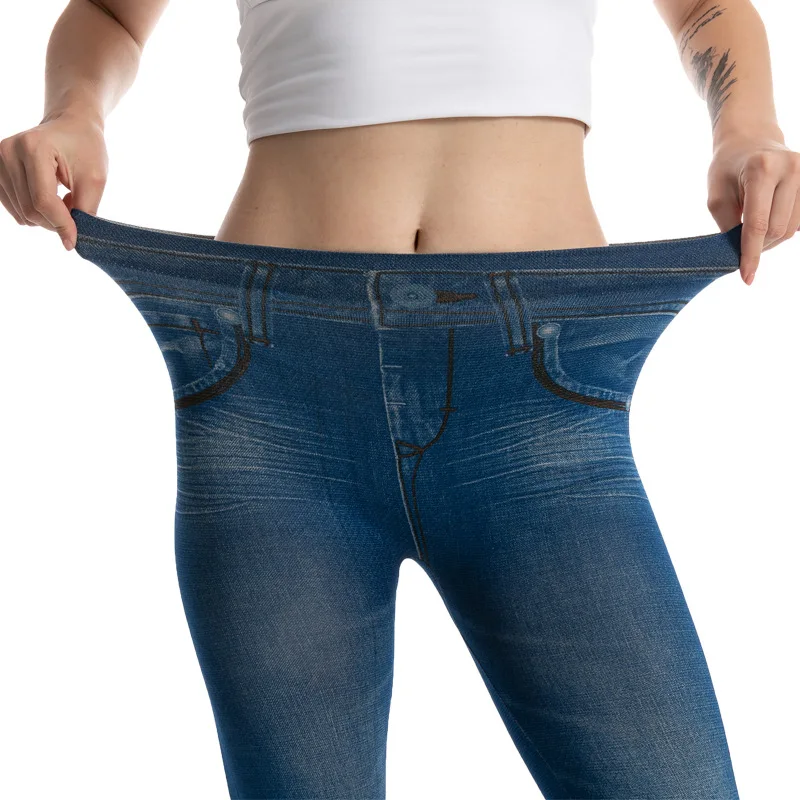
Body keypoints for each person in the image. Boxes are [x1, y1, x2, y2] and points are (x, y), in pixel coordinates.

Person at [0, 1, 796, 798]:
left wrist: (746, 130)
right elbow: (112, 13)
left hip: (532, 400)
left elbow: (704, 8)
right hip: (279, 395)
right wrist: (75, 113)